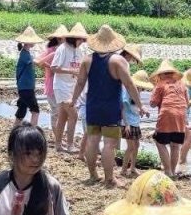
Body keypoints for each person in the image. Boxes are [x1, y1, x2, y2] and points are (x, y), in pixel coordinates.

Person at [72, 25, 147, 188]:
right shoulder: (117, 61)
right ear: (113, 42)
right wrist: (140, 105)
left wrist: (73, 100)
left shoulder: (87, 60)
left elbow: (79, 83)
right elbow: (129, 84)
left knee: (92, 141)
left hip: (93, 106)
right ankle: (109, 179)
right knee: (109, 144)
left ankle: (93, 175)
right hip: (111, 107)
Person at [51, 23, 88, 153]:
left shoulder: (80, 50)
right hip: (61, 86)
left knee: (63, 116)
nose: (83, 42)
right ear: (74, 38)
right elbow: (54, 68)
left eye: (84, 40)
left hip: (72, 87)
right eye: (81, 39)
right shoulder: (62, 48)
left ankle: (58, 145)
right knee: (74, 114)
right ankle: (70, 145)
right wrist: (71, 71)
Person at [149, 60, 188, 177]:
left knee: (159, 141)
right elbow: (187, 102)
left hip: (167, 114)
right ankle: (172, 171)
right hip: (181, 115)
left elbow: (152, 103)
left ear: (160, 74)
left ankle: (167, 171)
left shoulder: (160, 84)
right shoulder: (181, 84)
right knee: (175, 145)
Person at [121, 55, 151, 178]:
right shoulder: (128, 91)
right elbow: (122, 108)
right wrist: (126, 123)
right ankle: (123, 170)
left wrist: (142, 111)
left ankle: (133, 167)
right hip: (128, 123)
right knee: (130, 147)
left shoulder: (137, 92)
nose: (141, 88)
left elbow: (135, 107)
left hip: (136, 122)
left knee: (136, 145)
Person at [37, 26, 66, 138]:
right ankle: (58, 138)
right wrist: (50, 68)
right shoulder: (52, 51)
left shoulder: (64, 50)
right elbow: (38, 61)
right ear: (59, 39)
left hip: (62, 85)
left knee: (62, 113)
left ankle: (59, 137)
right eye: (64, 38)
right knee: (56, 113)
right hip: (52, 85)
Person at [13, 26, 44, 128]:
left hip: (24, 87)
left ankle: (14, 130)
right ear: (29, 42)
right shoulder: (25, 54)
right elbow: (37, 62)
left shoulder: (26, 53)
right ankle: (33, 131)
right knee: (35, 110)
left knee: (21, 110)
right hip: (26, 88)